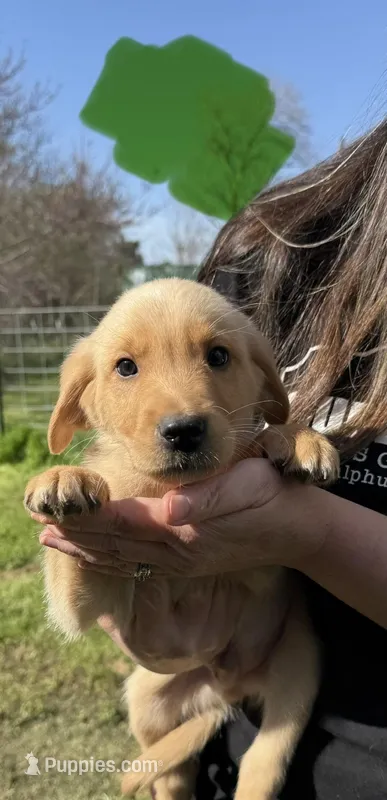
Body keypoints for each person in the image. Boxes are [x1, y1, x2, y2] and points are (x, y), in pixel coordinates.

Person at [39, 121, 387, 799]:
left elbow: (276, 441)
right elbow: (74, 616)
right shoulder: (279, 233)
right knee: (148, 705)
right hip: (184, 681)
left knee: (293, 663)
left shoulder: (265, 430)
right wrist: (92, 546)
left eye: (215, 357)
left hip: (312, 700)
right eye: (128, 367)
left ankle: (261, 768)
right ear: (79, 400)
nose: (182, 409)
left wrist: (305, 510)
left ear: (263, 381)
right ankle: (174, 776)